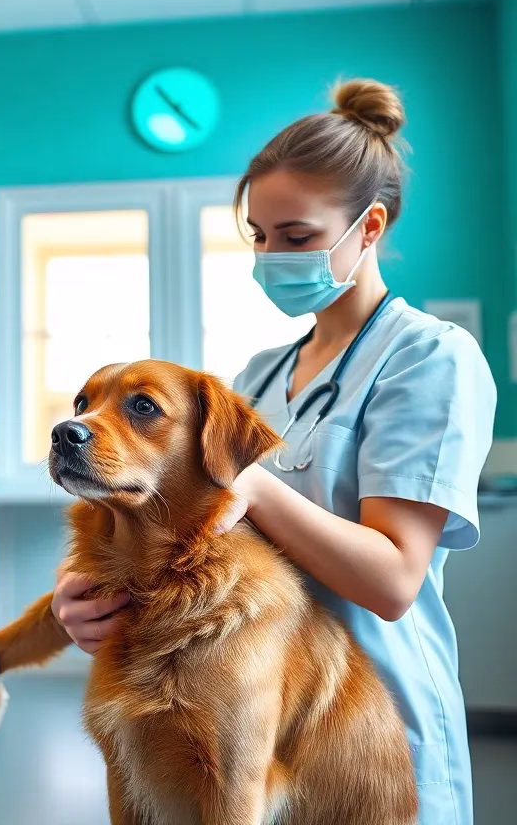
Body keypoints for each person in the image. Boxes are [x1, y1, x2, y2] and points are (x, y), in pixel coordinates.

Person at [52, 79, 495, 825]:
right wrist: (80, 595)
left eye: (296, 237)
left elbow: (392, 581)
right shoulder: (260, 374)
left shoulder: (430, 359)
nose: (272, 258)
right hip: (240, 713)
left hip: (364, 730)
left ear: (370, 226)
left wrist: (257, 488)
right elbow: (189, 525)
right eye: (258, 237)